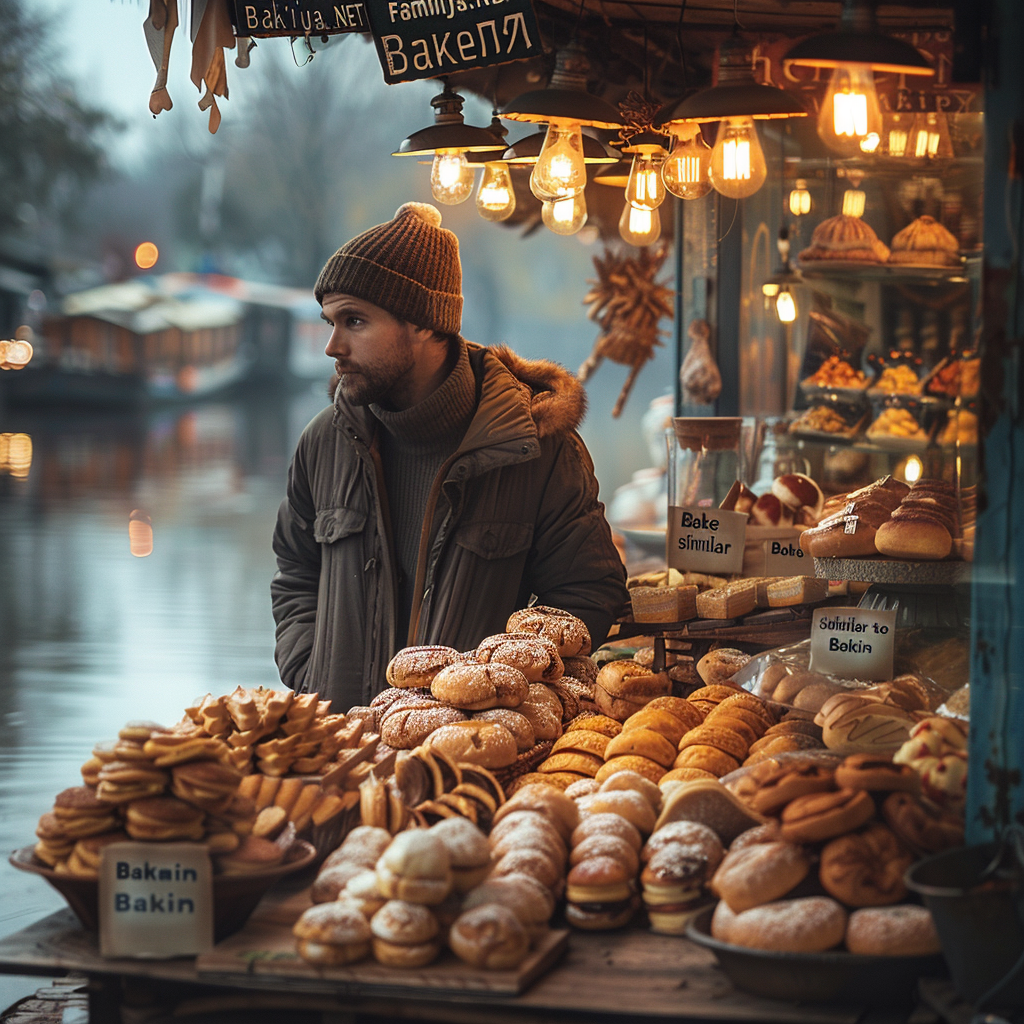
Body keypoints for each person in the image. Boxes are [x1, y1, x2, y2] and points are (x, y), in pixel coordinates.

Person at [271, 202, 628, 710]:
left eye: (354, 321)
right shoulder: (323, 443)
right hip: (340, 754)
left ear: (423, 324)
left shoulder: (536, 447)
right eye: (330, 321)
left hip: (478, 764)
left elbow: (588, 592)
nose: (331, 346)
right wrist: (310, 670)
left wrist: (505, 694)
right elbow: (295, 572)